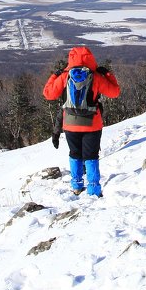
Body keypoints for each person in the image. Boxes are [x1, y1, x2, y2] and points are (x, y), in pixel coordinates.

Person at [43, 46, 121, 197]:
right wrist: (107, 74)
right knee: (91, 156)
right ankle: (93, 189)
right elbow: (115, 92)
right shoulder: (96, 76)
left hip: (70, 124)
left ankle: (77, 186)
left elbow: (48, 94)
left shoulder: (65, 76)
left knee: (75, 154)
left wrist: (55, 75)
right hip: (92, 124)